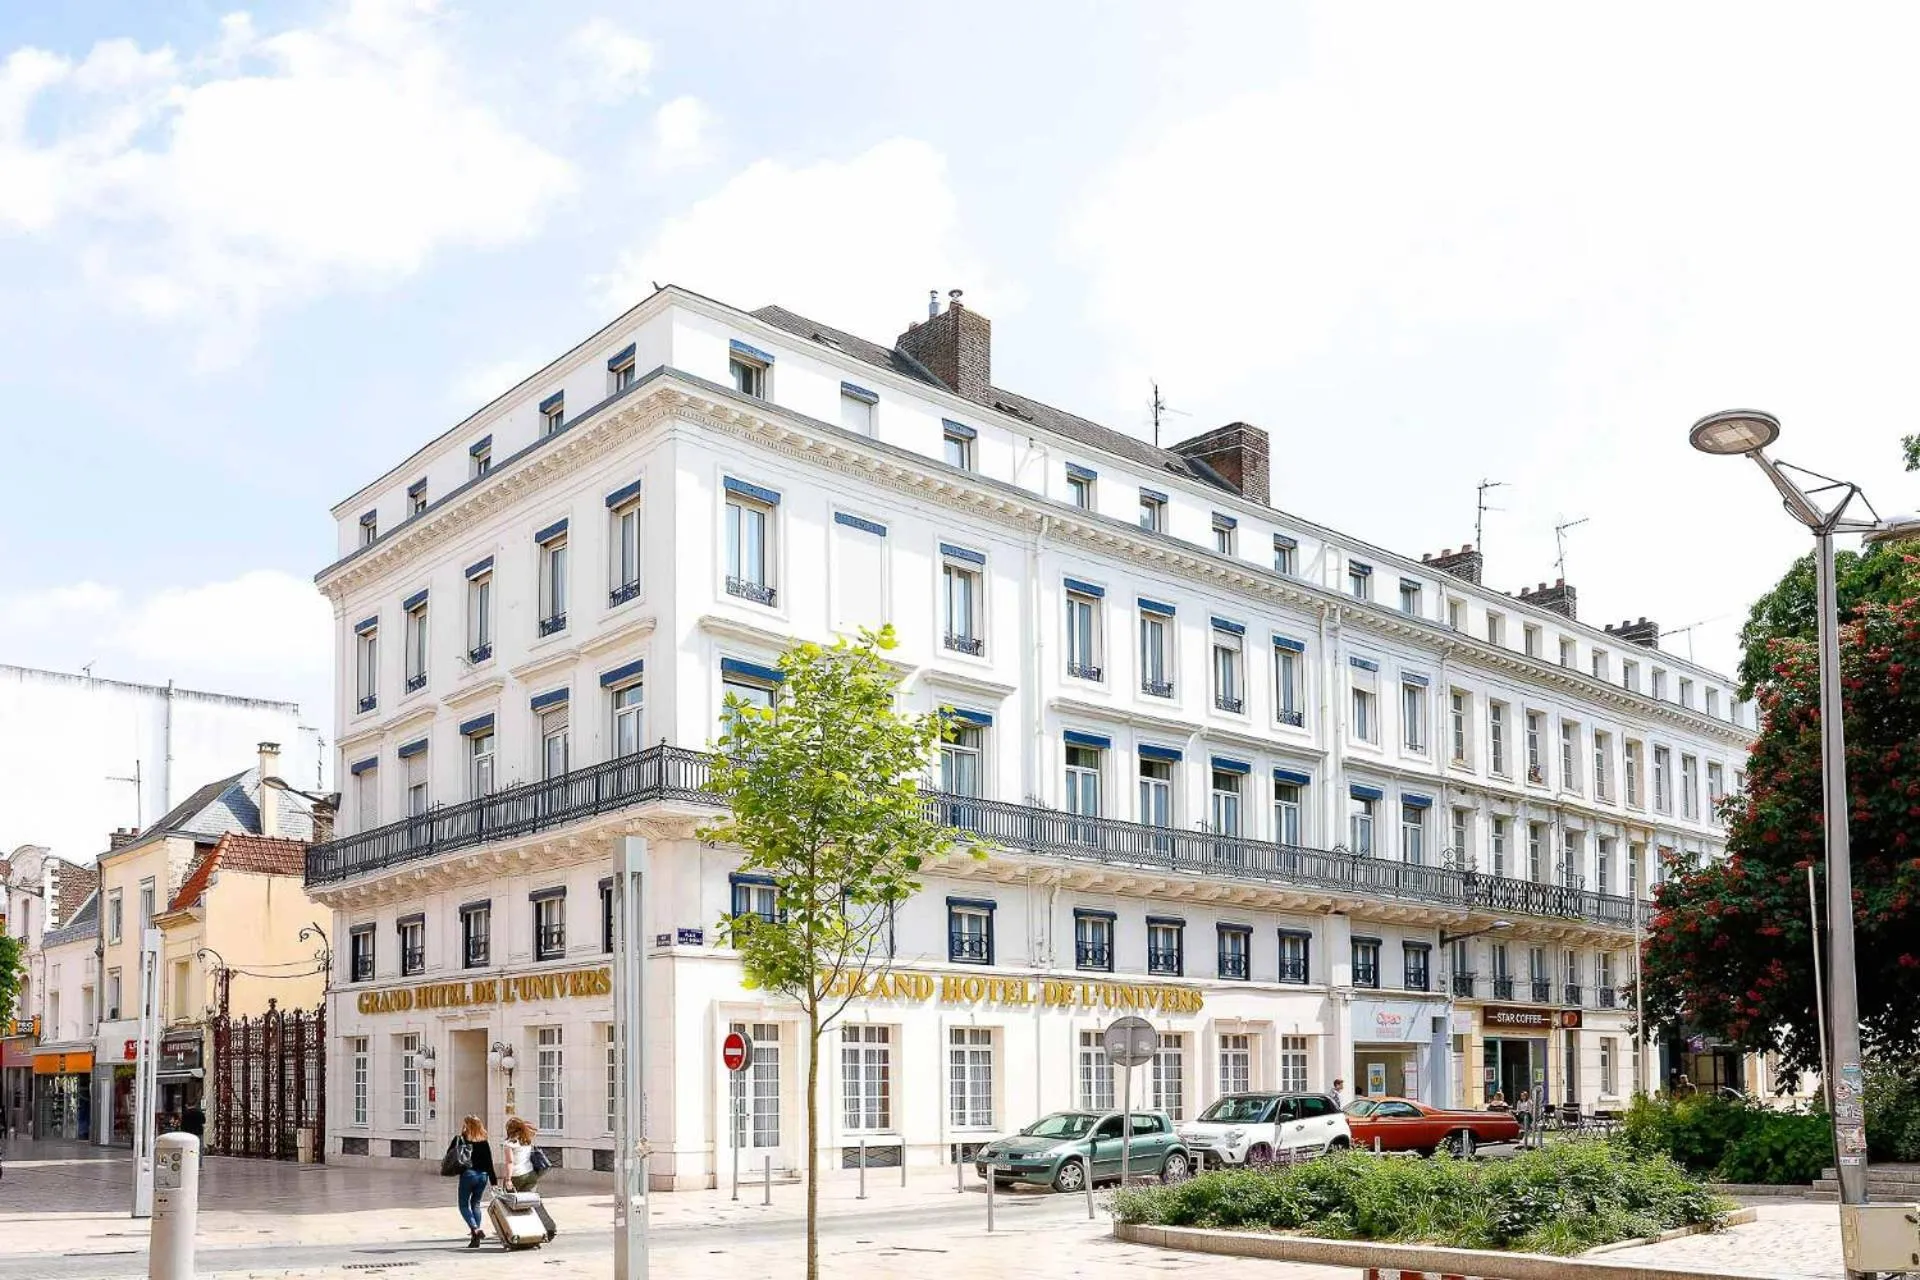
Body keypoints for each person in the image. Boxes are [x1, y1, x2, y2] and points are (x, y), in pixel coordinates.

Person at [501, 1117, 558, 1241]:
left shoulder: (509, 1144)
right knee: (534, 1203)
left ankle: (519, 1229)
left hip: (517, 1176)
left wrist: (508, 1179)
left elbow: (510, 1162)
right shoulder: (527, 1141)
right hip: (530, 1175)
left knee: (513, 1205)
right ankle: (549, 1227)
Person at [455, 1116, 497, 1248]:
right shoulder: (484, 1142)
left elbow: (452, 1155)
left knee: (463, 1205)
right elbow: (489, 1163)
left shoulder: (462, 1139)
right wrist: (494, 1181)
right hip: (483, 1176)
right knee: (476, 1204)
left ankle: (475, 1229)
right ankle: (475, 1238)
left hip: (468, 1175)